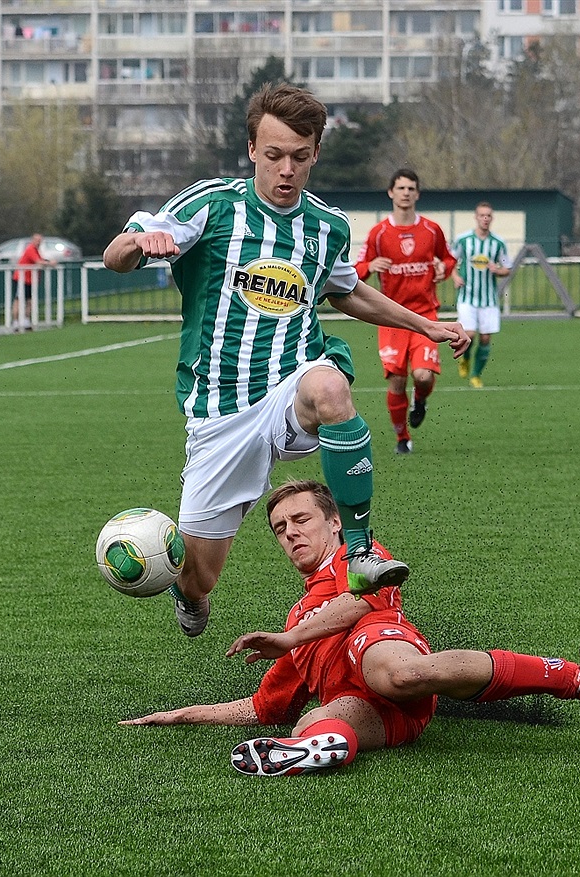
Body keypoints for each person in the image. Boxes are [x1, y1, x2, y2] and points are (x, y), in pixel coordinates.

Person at [103, 83, 471, 638]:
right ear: (252, 149)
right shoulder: (210, 203)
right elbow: (115, 256)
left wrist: (425, 325)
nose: (286, 170)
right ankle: (192, 597)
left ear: (315, 154)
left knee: (330, 387)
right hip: (220, 412)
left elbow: (346, 291)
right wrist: (142, 244)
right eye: (273, 155)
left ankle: (360, 551)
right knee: (200, 577)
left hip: (293, 385)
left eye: (300, 157)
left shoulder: (328, 226)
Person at [120, 480, 580, 777]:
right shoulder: (293, 621)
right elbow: (263, 708)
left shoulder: (362, 557)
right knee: (319, 717)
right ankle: (316, 749)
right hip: (388, 720)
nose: (290, 534)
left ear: (334, 523)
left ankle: (578, 677)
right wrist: (179, 715)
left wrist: (290, 640)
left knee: (388, 671)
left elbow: (359, 606)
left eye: (300, 520)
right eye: (280, 530)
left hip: (393, 663)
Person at [354, 170, 457, 455]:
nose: (406, 192)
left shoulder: (432, 230)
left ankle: (420, 400)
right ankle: (402, 438)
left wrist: (443, 268)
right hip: (391, 317)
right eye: (400, 187)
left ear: (418, 194)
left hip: (425, 316)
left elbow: (448, 259)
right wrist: (370, 267)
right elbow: (356, 270)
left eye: (411, 188)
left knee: (422, 376)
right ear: (391, 192)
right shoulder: (379, 234)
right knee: (397, 380)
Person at [451, 202, 511, 388]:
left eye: (488, 216)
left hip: (489, 299)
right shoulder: (463, 240)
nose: (485, 219)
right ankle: (465, 360)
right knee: (469, 334)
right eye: (482, 215)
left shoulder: (498, 243)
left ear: (491, 218)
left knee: (485, 338)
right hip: (467, 297)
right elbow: (450, 261)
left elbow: (507, 268)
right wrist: (455, 276)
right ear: (476, 217)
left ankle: (476, 375)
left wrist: (497, 270)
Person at [11, 233, 56, 331]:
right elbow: (38, 262)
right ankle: (15, 322)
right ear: (33, 240)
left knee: (29, 301)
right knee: (18, 300)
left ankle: (26, 321)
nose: (38, 242)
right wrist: (49, 263)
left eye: (40, 240)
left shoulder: (36, 250)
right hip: (21, 278)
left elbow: (40, 260)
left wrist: (47, 261)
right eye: (37, 240)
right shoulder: (30, 249)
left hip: (29, 280)